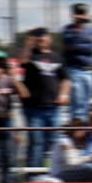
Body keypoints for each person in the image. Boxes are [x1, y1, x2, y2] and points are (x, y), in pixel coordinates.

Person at [20, 27, 68, 170]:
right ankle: (34, 174)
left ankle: (53, 171)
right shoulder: (31, 56)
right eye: (39, 37)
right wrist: (28, 43)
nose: (41, 39)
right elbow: (22, 61)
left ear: (50, 39)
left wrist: (63, 94)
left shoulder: (57, 58)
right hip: (34, 108)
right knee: (37, 142)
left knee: (54, 141)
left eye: (44, 36)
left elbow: (65, 79)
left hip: (53, 108)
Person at [60, 3, 92, 123]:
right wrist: (81, 39)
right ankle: (77, 125)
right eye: (79, 13)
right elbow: (69, 45)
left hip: (89, 70)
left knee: (87, 102)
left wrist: (78, 45)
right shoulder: (67, 30)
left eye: (83, 13)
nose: (81, 16)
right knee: (77, 100)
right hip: (74, 70)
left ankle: (84, 125)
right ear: (73, 15)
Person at [47, 118, 92, 182]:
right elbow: (72, 162)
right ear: (76, 130)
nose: (84, 133)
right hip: (59, 175)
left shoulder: (75, 142)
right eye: (82, 130)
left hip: (69, 172)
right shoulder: (64, 142)